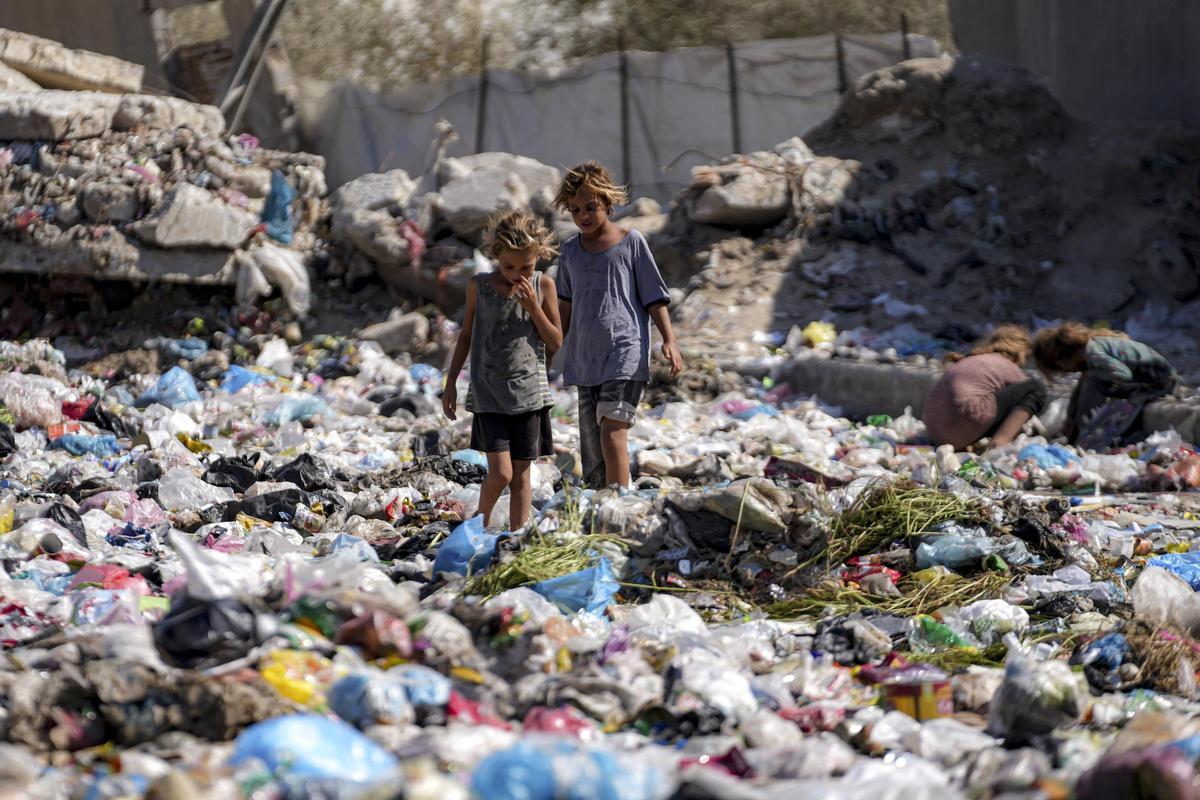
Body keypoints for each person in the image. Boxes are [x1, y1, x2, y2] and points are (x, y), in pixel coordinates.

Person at [554, 161, 682, 490]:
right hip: (585, 360)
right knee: (593, 450)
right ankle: (601, 511)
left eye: (591, 207)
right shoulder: (569, 253)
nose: (583, 215)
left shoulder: (631, 242)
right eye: (575, 209)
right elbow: (564, 304)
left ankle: (620, 503)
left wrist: (669, 339)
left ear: (609, 204)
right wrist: (552, 345)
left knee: (613, 432)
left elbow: (654, 296)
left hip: (625, 353)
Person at [442, 211, 563, 529]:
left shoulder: (544, 285)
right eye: (509, 266)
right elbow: (466, 335)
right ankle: (477, 526)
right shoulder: (479, 286)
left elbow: (556, 341)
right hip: (489, 394)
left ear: (539, 257)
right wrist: (451, 382)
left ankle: (515, 538)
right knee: (501, 473)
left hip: (529, 396)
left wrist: (534, 308)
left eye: (527, 266)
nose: (518, 274)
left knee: (522, 475)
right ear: (495, 255)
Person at [1033, 322, 1177, 448]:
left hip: (1160, 381)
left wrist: (1102, 382)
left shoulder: (1093, 353)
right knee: (1089, 381)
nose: (1065, 371)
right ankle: (1075, 435)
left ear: (1062, 357)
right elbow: (1079, 394)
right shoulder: (1092, 349)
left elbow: (1123, 374)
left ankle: (1083, 439)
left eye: (1060, 368)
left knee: (1093, 382)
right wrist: (1071, 420)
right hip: (1150, 379)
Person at [922, 325, 1046, 451]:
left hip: (936, 434)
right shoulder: (1005, 364)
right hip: (961, 425)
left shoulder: (971, 360)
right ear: (1020, 352)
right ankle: (999, 445)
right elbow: (1026, 397)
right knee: (1036, 387)